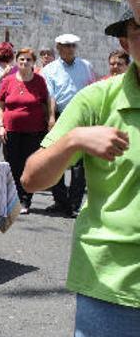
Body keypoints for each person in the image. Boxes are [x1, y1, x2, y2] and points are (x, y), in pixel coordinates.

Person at [21, 0, 140, 337]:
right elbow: (32, 177)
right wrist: (72, 140)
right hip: (111, 285)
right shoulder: (96, 100)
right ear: (127, 39)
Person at [42, 33, 95, 217]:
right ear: (58, 47)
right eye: (66, 45)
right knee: (56, 159)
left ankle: (74, 204)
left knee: (79, 164)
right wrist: (51, 118)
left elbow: (91, 89)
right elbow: (51, 96)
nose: (71, 48)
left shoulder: (86, 66)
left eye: (73, 45)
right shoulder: (50, 69)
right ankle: (60, 201)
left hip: (82, 116)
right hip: (60, 115)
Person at [0, 48, 54, 214]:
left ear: (32, 62)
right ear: (17, 61)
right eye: (21, 59)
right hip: (10, 130)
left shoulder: (39, 81)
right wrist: (0, 125)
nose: (24, 63)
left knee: (28, 166)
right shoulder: (8, 81)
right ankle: (12, 199)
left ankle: (25, 200)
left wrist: (50, 119)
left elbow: (46, 102)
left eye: (28, 60)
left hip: (33, 131)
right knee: (12, 165)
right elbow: (0, 104)